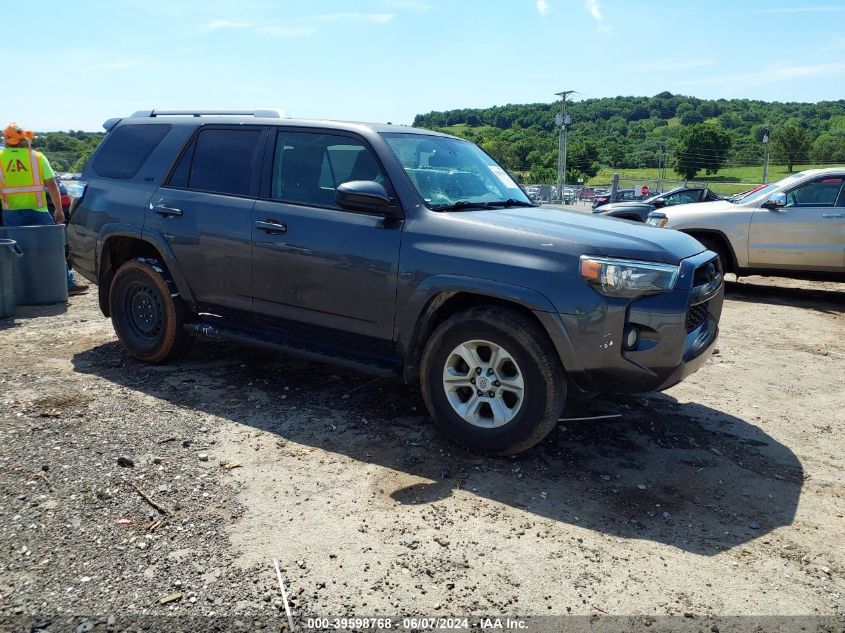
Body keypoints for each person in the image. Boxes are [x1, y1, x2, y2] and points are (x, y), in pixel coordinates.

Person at [0, 122, 88, 295]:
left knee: (15, 252)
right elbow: (52, 184)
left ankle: (19, 290)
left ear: (7, 139)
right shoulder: (37, 157)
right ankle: (67, 284)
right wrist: (58, 209)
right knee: (52, 248)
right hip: (38, 211)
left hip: (11, 212)